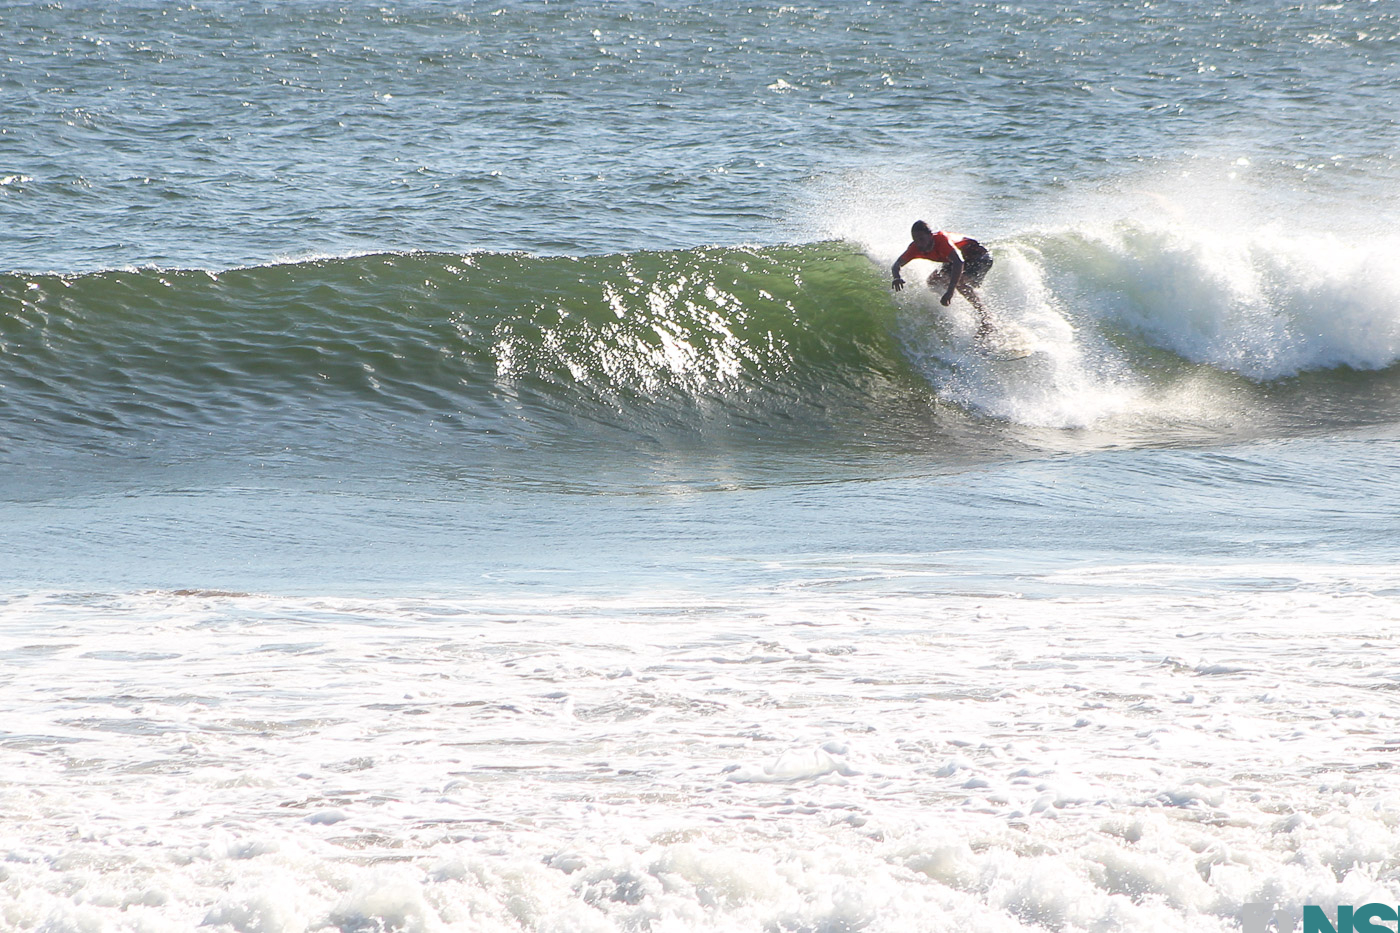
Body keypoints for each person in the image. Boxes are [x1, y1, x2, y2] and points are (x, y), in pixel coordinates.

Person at [891, 220, 994, 336]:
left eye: (921, 239)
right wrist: (896, 277)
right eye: (916, 240)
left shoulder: (942, 241)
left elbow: (959, 262)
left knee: (958, 282)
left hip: (979, 257)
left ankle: (986, 317)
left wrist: (950, 291)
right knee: (933, 281)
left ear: (930, 236)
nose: (919, 244)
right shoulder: (914, 248)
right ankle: (951, 309)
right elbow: (896, 265)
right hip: (956, 258)